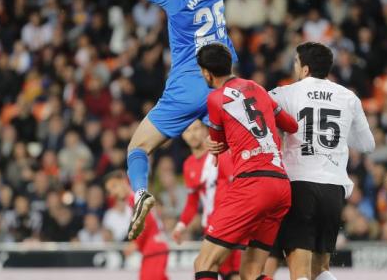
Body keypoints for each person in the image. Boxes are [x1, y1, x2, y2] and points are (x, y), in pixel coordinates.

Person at [105, 0, 237, 239]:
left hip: (188, 83)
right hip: (223, 83)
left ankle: (140, 193)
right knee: (230, 156)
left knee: (138, 147)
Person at [262, 42, 376, 280]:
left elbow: (257, 117)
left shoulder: (284, 94)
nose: (293, 67)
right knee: (320, 270)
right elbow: (368, 145)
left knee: (300, 272)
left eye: (295, 62)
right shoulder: (348, 97)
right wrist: (340, 138)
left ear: (304, 69)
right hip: (333, 188)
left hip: (299, 185)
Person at [193, 43, 297, 280]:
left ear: (207, 72)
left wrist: (213, 144)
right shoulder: (258, 89)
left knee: (204, 262)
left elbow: (219, 143)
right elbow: (291, 125)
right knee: (250, 273)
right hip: (281, 185)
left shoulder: (216, 99)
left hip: (253, 183)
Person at [174, 120, 240, 280]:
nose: (193, 134)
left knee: (206, 267)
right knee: (228, 273)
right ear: (182, 135)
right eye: (188, 131)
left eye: (197, 128)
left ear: (205, 130)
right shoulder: (188, 164)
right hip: (210, 226)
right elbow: (192, 201)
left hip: (230, 221)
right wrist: (181, 226)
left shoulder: (219, 154)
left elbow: (236, 185)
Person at [104, 170, 169, 280]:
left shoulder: (135, 197)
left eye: (114, 187)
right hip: (153, 250)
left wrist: (135, 243)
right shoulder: (134, 198)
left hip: (153, 250)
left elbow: (145, 219)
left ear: (124, 181)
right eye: (110, 191)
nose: (113, 193)